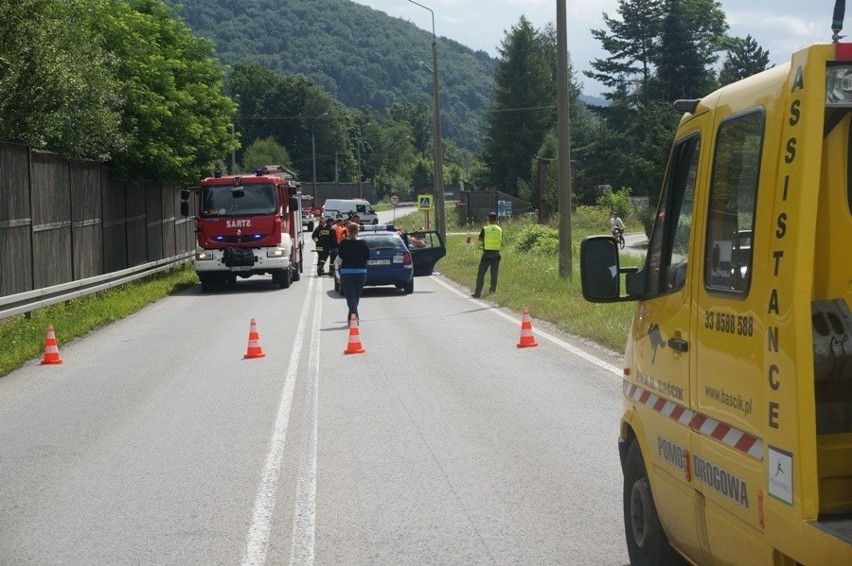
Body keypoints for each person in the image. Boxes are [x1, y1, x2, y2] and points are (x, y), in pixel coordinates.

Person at [337, 222, 371, 321]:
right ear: (358, 231)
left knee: (350, 297)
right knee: (356, 296)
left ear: (347, 231)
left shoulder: (344, 243)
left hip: (347, 273)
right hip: (361, 273)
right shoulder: (363, 243)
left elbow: (341, 256)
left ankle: (353, 315)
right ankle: (353, 314)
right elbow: (368, 256)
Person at [471, 212, 503, 298]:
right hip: (497, 253)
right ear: (496, 219)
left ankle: (478, 293)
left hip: (487, 254)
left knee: (481, 273)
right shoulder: (500, 229)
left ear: (488, 219)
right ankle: (492, 292)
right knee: (494, 273)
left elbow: (480, 239)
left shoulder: (485, 229)